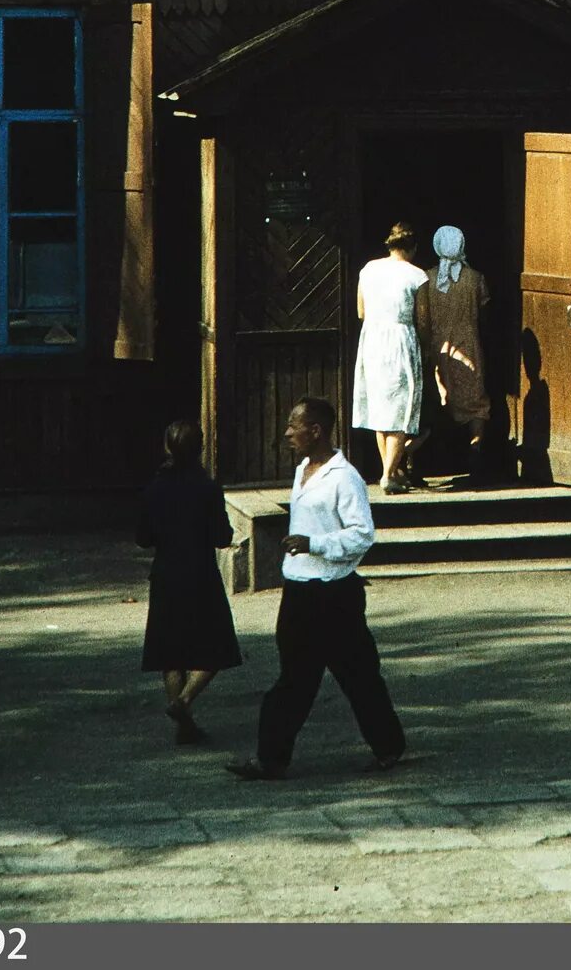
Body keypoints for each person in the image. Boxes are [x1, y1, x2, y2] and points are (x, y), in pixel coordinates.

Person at [229, 397, 404, 781]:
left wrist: (315, 544)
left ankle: (389, 746)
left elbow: (362, 535)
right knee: (293, 678)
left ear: (316, 431)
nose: (288, 433)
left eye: (295, 426)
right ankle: (270, 758)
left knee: (358, 675)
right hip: (299, 589)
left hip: (334, 592)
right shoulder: (303, 470)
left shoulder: (345, 478)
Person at [135, 419, 239, 747]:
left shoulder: (154, 489)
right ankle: (184, 701)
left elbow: (143, 538)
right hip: (200, 573)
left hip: (165, 574)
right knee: (215, 646)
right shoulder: (208, 488)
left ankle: (183, 722)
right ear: (200, 448)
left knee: (171, 650)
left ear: (167, 448)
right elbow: (222, 537)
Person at [351, 224, 430, 493]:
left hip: (372, 338)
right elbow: (422, 319)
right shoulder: (416, 275)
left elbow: (361, 311)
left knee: (381, 405)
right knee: (400, 407)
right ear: (412, 248)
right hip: (400, 338)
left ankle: (392, 471)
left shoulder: (369, 269)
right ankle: (388, 474)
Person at [418, 225, 492, 486]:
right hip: (468, 344)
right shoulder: (475, 278)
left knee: (438, 401)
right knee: (475, 401)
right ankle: (476, 452)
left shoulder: (427, 279)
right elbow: (483, 315)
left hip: (439, 347)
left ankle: (421, 459)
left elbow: (423, 320)